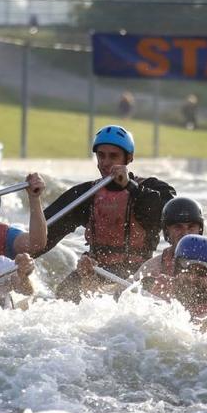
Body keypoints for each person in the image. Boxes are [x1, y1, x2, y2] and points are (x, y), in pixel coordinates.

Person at [38, 125, 176, 301]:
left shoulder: (153, 188)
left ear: (129, 158)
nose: (105, 162)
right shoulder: (85, 194)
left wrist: (129, 186)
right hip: (95, 270)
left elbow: (166, 212)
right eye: (101, 155)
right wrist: (22, 252)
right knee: (65, 291)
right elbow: (44, 232)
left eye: (113, 156)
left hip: (138, 274)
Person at [133, 197, 207, 306]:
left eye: (191, 227)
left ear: (200, 229)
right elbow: (129, 294)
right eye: (178, 227)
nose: (186, 233)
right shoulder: (152, 269)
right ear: (167, 231)